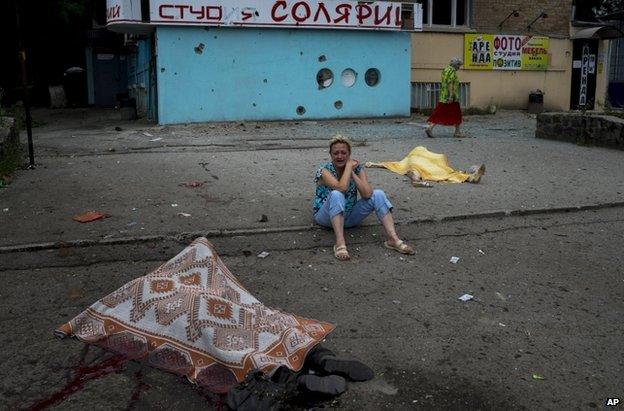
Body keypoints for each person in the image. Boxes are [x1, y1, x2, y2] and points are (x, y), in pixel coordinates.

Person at [313, 135, 415, 261]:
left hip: (348, 217)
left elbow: (367, 194)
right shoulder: (323, 171)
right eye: (336, 153)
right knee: (336, 194)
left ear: (349, 154)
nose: (340, 156)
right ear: (330, 154)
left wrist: (351, 173)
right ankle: (340, 243)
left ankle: (393, 239)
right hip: (326, 218)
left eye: (343, 153)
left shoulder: (357, 169)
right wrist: (349, 167)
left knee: (378, 194)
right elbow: (342, 188)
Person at [365, 146, 485, 187]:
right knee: (447, 173)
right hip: (423, 165)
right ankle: (469, 176)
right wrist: (374, 164)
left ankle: (470, 176)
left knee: (412, 170)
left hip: (419, 165)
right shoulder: (413, 156)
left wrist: (374, 164)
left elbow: (389, 164)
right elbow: (390, 164)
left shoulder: (408, 159)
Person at [425, 57, 465, 138]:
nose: (459, 68)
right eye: (459, 66)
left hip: (443, 95)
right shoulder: (452, 71)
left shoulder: (445, 70)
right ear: (456, 65)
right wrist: (450, 96)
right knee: (457, 114)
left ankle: (431, 127)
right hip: (452, 97)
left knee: (440, 112)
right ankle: (457, 132)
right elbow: (450, 83)